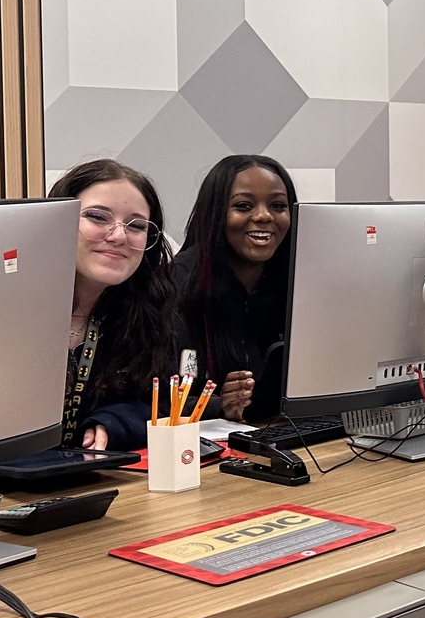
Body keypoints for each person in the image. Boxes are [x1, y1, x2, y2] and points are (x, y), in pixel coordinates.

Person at [51, 158, 179, 451]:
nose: (119, 235)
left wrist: (116, 421)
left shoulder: (146, 312)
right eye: (97, 217)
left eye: (136, 225)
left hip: (90, 481)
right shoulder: (6, 312)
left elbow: (160, 402)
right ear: (58, 221)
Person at [172, 154, 298, 422]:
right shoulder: (176, 282)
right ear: (216, 214)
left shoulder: (298, 280)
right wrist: (220, 405)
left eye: (278, 205)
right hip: (203, 450)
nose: (264, 216)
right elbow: (154, 397)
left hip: (287, 435)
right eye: (243, 206)